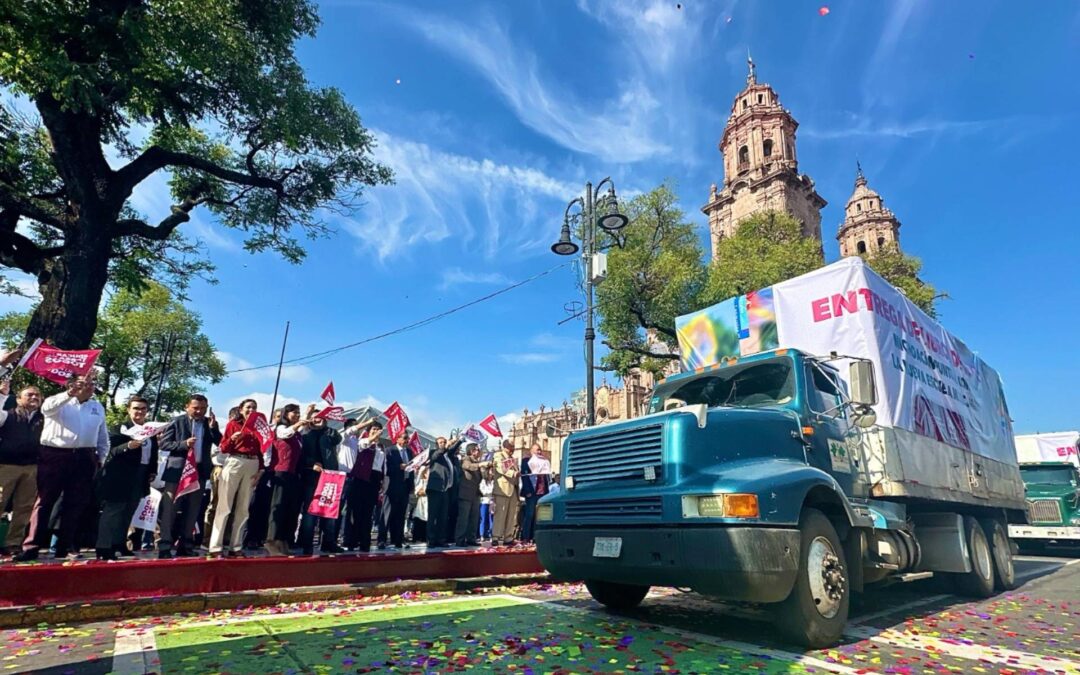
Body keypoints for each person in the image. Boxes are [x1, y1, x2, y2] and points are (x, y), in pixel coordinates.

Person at [14, 374, 109, 562]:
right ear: (72, 385)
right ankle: (31, 546)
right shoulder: (57, 401)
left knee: (76, 504)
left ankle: (65, 546)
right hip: (55, 454)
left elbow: (102, 435)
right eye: (84, 383)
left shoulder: (96, 406)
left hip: (85, 456)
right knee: (44, 501)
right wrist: (69, 394)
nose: (90, 387)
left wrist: (101, 459)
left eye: (92, 383)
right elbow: (47, 409)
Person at [158, 394, 222, 558]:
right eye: (195, 408)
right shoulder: (177, 421)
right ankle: (165, 545)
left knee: (193, 510)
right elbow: (164, 443)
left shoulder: (209, 423)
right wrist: (183, 444)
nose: (199, 411)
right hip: (177, 472)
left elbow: (220, 442)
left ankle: (186, 544)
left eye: (202, 408)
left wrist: (214, 428)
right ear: (187, 406)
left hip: (198, 472)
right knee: (170, 509)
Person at [95, 397, 158, 561]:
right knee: (114, 510)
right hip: (120, 476)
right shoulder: (120, 429)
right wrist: (128, 446)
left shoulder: (150, 430)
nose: (140, 412)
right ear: (128, 410)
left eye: (143, 408)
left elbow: (153, 453)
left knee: (130, 510)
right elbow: (111, 451)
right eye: (136, 408)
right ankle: (104, 546)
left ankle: (119, 544)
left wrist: (152, 470)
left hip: (141, 474)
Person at [209, 399, 264, 558]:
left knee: (243, 508)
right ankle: (216, 547)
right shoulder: (233, 424)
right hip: (235, 461)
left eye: (254, 407)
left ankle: (236, 546)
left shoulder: (258, 428)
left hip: (252, 463)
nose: (251, 410)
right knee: (224, 506)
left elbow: (262, 449)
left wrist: (260, 469)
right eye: (248, 407)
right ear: (241, 409)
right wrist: (232, 438)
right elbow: (224, 448)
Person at [0, 382, 44, 557]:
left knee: (24, 508)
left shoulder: (45, 418)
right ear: (18, 399)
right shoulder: (6, 416)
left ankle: (13, 543)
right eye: (29, 395)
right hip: (6, 466)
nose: (34, 398)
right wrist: (2, 393)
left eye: (37, 395)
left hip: (32, 467)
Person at [264, 404, 308, 556]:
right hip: (280, 471)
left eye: (298, 412)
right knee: (278, 506)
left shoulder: (298, 434)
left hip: (293, 473)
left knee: (291, 508)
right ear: (286, 414)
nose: (297, 415)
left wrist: (306, 417)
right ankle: (271, 540)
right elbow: (285, 434)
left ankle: (283, 539)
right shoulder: (280, 428)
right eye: (294, 412)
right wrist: (299, 423)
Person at [296, 413, 343, 555]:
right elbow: (301, 455)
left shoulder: (329, 434)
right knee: (310, 512)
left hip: (330, 476)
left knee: (329, 511)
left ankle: (328, 542)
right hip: (312, 476)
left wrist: (325, 427)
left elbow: (338, 438)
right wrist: (312, 464)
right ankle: (307, 543)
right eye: (316, 417)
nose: (319, 419)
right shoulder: (306, 435)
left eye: (322, 417)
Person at [343, 420, 384, 552]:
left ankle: (364, 541)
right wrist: (372, 437)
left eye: (378, 430)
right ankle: (351, 540)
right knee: (355, 511)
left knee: (368, 512)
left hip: (375, 479)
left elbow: (383, 466)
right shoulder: (362, 442)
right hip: (360, 479)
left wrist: (383, 482)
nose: (376, 432)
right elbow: (365, 444)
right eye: (373, 429)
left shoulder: (380, 448)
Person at [423, 436, 461, 549]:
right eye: (440, 442)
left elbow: (453, 449)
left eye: (444, 442)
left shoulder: (447, 456)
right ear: (436, 444)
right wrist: (444, 446)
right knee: (433, 515)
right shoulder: (433, 453)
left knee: (443, 516)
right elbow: (435, 456)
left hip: (445, 490)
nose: (443, 444)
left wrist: (459, 440)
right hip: (435, 489)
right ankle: (430, 539)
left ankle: (441, 539)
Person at [453, 443, 489, 547]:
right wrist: (480, 465)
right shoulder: (466, 459)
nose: (479, 452)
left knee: (474, 517)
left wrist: (485, 468)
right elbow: (467, 466)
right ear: (472, 451)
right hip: (465, 493)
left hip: (475, 494)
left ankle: (471, 538)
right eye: (477, 450)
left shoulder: (479, 462)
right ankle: (460, 539)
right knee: (463, 518)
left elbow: (485, 477)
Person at [383, 433, 413, 549]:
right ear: (398, 439)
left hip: (405, 485)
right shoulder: (390, 450)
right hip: (392, 485)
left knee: (401, 515)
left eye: (408, 439)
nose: (407, 441)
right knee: (387, 513)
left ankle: (398, 540)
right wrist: (398, 467)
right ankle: (382, 539)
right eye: (405, 438)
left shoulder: (409, 452)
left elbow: (411, 469)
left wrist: (412, 484)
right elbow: (386, 468)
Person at [491, 440, 520, 547]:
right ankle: (495, 536)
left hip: (513, 490)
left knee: (512, 514)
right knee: (500, 513)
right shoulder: (499, 455)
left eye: (513, 447)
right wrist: (513, 473)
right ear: (505, 446)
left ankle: (508, 537)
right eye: (511, 447)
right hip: (502, 489)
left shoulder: (513, 459)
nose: (513, 449)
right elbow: (500, 468)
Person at [519, 444, 550, 544]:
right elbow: (525, 477)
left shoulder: (544, 461)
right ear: (531, 451)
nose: (539, 452)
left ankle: (536, 536)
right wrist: (527, 491)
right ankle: (526, 536)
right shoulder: (526, 461)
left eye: (540, 450)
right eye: (537, 450)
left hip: (542, 492)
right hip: (531, 492)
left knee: (539, 516)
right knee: (529, 514)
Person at [411, 466, 429, 544]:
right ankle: (417, 537)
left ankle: (425, 537)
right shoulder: (422, 472)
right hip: (421, 500)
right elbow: (417, 487)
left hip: (428, 500)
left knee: (426, 518)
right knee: (419, 517)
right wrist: (420, 491)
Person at [478, 469, 494, 542]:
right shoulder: (483, 481)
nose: (492, 472)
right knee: (483, 518)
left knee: (491, 519)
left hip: (491, 502)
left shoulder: (494, 481)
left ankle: (491, 534)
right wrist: (490, 492)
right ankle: (482, 535)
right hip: (484, 501)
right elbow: (483, 491)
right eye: (491, 471)